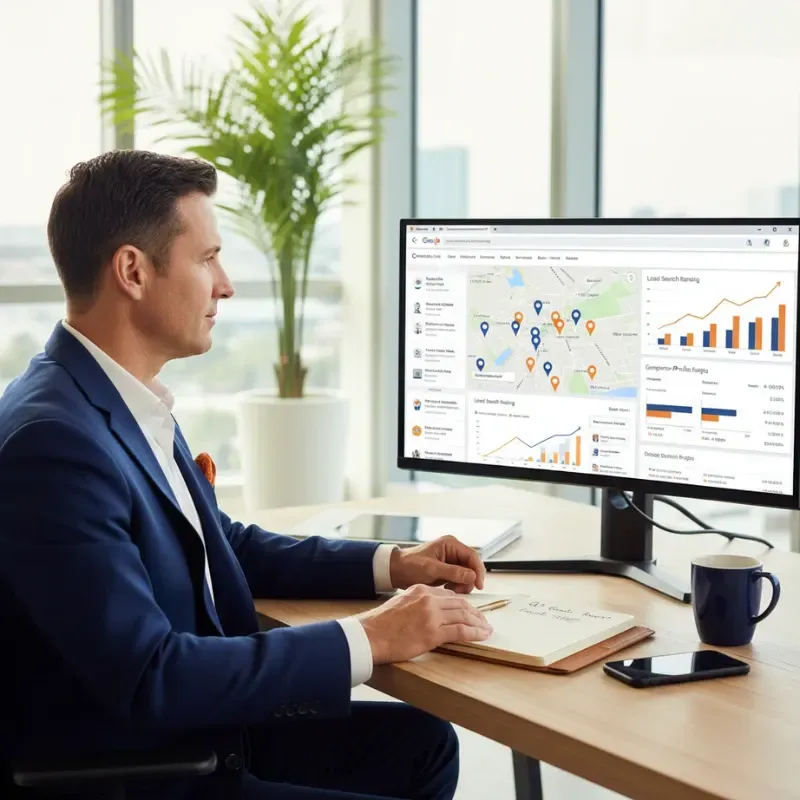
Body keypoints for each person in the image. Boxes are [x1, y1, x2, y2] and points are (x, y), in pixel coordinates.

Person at [0, 151, 494, 799]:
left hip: (196, 734)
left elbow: (219, 544)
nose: (226, 284)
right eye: (207, 258)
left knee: (422, 743)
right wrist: (371, 635)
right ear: (132, 271)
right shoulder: (53, 443)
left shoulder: (113, 395)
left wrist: (392, 565)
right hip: (151, 770)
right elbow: (152, 676)